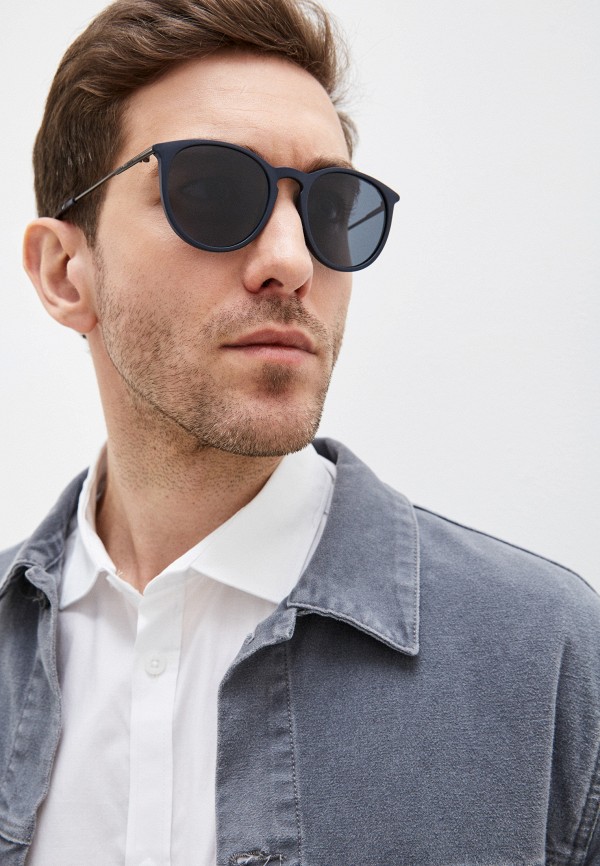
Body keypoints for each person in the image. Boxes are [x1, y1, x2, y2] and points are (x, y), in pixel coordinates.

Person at [0, 0, 598, 863]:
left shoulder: (548, 663)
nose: (291, 260)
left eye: (330, 207)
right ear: (65, 272)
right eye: (211, 192)